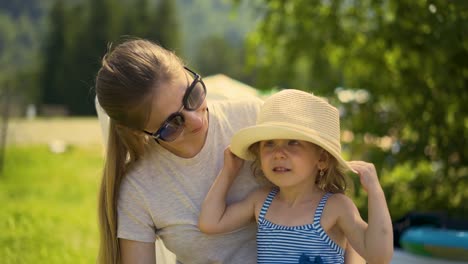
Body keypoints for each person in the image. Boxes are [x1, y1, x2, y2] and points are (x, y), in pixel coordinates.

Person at [95, 38, 365, 264]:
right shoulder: (138, 188)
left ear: (189, 72)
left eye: (193, 95)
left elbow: (337, 212)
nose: (198, 121)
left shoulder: (255, 120)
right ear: (139, 132)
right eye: (171, 124)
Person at [199, 89, 393, 264]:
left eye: (293, 142)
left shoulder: (336, 207)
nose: (278, 153)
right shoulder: (261, 201)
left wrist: (375, 192)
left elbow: (378, 257)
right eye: (269, 144)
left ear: (322, 159)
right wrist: (228, 173)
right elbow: (210, 223)